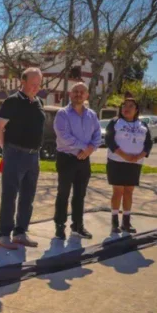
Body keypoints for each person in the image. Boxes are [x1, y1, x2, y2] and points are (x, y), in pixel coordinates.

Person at [0, 68, 46, 250]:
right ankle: (3, 235)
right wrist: (7, 150)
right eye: (32, 84)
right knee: (9, 196)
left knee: (28, 196)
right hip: (15, 154)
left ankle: (20, 233)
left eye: (38, 84)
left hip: (34, 156)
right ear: (22, 82)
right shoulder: (12, 101)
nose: (36, 87)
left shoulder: (39, 102)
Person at [52, 82, 102, 240]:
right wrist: (84, 147)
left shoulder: (92, 115)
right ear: (70, 94)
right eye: (75, 91)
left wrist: (89, 149)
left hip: (84, 160)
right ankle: (60, 226)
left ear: (87, 95)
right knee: (63, 193)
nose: (79, 94)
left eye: (82, 92)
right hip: (66, 159)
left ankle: (78, 226)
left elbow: (98, 135)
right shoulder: (62, 114)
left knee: (80, 195)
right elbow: (63, 136)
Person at [105, 97, 153, 234]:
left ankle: (126, 222)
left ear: (136, 109)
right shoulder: (115, 122)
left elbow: (148, 143)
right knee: (118, 191)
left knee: (129, 191)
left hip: (135, 163)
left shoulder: (143, 125)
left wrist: (139, 156)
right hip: (117, 162)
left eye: (131, 106)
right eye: (124, 105)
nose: (127, 108)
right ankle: (114, 221)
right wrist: (123, 155)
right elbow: (109, 140)